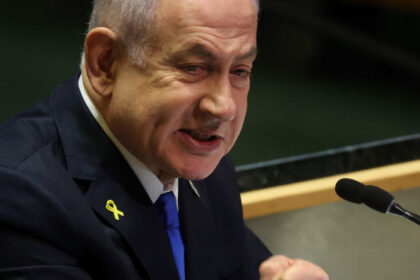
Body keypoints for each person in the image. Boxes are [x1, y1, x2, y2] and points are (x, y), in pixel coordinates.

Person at [0, 0, 329, 279]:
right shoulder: (19, 194)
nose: (225, 106)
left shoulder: (203, 167)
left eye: (240, 71)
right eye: (193, 67)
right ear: (105, 63)